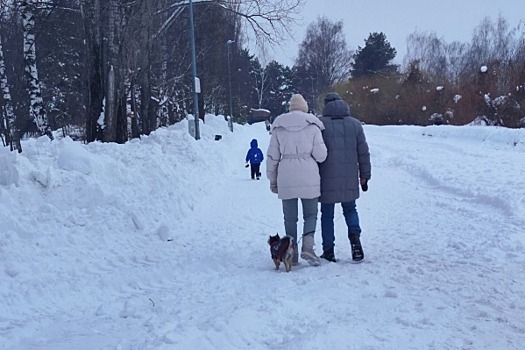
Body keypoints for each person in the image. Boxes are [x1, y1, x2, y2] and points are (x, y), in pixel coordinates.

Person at [266, 94, 327, 266]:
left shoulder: (279, 128)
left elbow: (272, 157)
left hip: (286, 176)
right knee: (311, 214)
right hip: (309, 175)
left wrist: (272, 180)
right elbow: (321, 156)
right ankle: (308, 246)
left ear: (290, 108)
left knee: (290, 218)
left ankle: (290, 254)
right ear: (305, 107)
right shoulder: (313, 127)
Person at [318, 92, 371, 263]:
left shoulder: (320, 125)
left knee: (327, 214)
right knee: (350, 209)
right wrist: (365, 176)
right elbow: (363, 153)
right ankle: (355, 237)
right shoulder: (355, 125)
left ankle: (329, 251)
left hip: (326, 177)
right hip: (349, 178)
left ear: (325, 105)